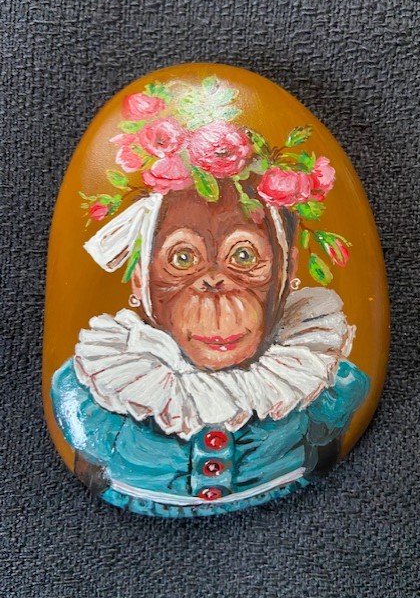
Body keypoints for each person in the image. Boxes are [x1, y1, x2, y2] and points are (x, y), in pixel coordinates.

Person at [51, 179, 369, 518]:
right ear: (141, 279)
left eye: (244, 256)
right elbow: (90, 471)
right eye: (182, 258)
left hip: (293, 513)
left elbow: (326, 461)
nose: (215, 285)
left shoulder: (312, 378)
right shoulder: (103, 384)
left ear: (286, 270)